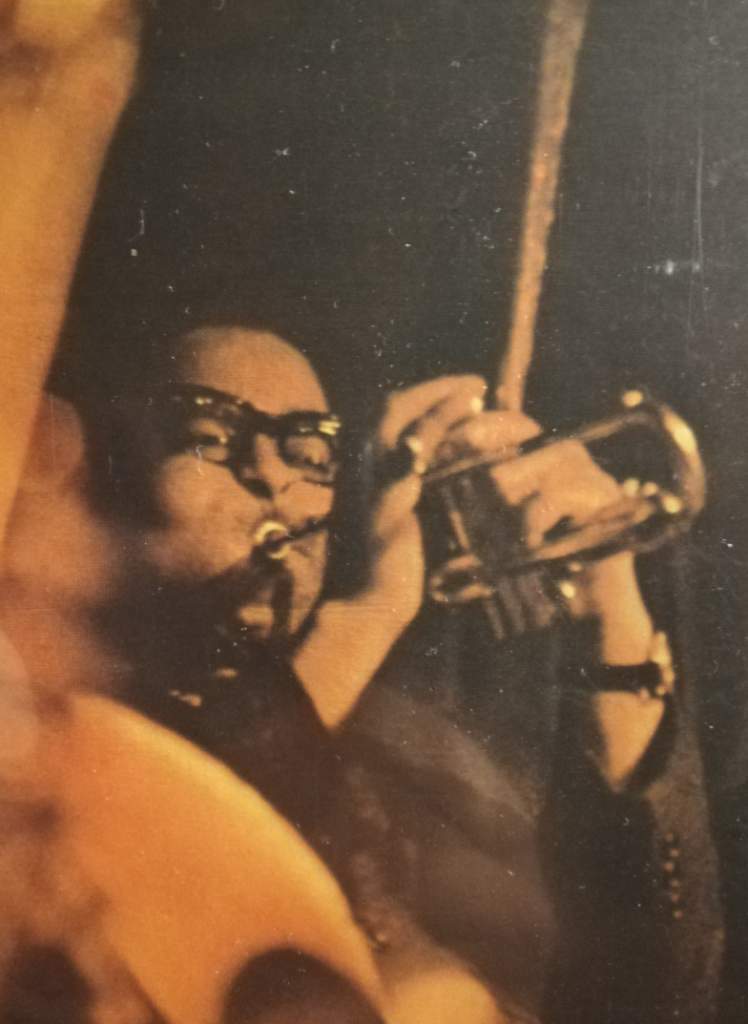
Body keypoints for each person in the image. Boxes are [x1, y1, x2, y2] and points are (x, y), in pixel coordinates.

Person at [0, 2, 724, 1022]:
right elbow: (154, 864)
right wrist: (366, 618)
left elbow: (666, 991)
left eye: (311, 451)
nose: (272, 473)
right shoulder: (52, 734)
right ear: (97, 482)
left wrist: (615, 620)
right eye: (211, 432)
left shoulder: (422, 767)